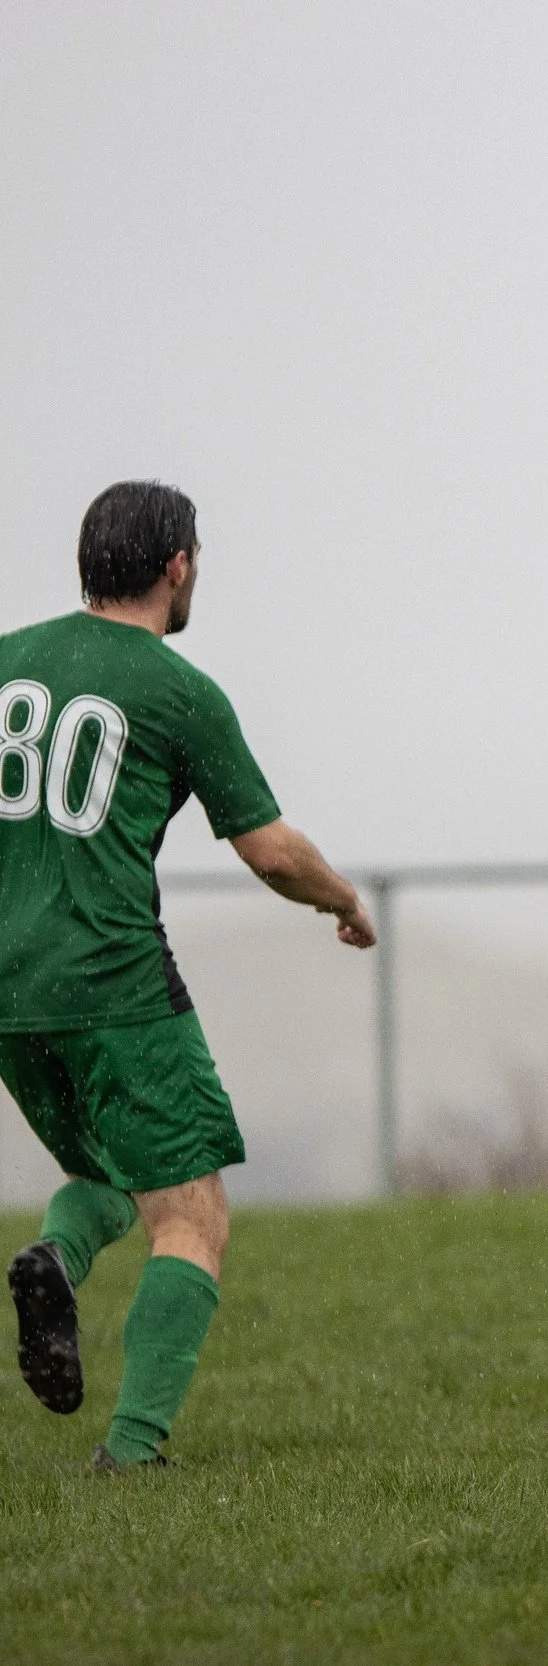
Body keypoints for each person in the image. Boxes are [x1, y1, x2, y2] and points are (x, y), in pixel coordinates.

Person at [5, 481, 377, 1473]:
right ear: (177, 564)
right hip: (114, 979)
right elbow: (268, 851)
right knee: (193, 1212)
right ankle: (133, 1454)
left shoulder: (5, 665)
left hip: (9, 992)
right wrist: (341, 898)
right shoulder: (176, 689)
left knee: (112, 1174)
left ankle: (56, 1257)